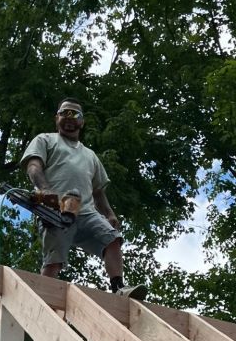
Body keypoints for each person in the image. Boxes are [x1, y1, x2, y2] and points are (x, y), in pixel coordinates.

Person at [21, 99, 145, 297]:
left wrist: (109, 213)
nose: (69, 119)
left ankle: (119, 288)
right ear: (57, 118)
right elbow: (33, 166)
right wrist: (44, 190)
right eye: (64, 114)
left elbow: (97, 191)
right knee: (54, 259)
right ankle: (42, 297)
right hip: (55, 210)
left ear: (82, 122)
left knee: (112, 239)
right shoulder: (45, 140)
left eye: (75, 115)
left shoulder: (90, 155)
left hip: (87, 212)